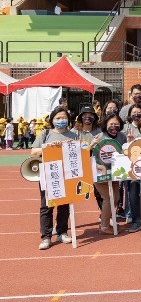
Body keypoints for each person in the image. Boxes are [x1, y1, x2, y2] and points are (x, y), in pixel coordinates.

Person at [31, 106, 77, 250]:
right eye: (58, 118)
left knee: (64, 205)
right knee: (47, 206)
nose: (61, 120)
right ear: (52, 120)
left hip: (67, 174)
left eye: (64, 118)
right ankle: (46, 237)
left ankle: (62, 232)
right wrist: (48, 147)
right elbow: (33, 152)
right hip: (49, 174)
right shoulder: (45, 133)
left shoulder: (73, 135)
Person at [93, 113, 126, 233]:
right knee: (108, 198)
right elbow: (91, 156)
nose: (114, 127)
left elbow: (125, 152)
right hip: (100, 172)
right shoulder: (99, 137)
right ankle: (104, 226)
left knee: (116, 197)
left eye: (116, 124)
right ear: (105, 125)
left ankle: (107, 221)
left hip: (115, 173)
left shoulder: (122, 136)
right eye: (111, 124)